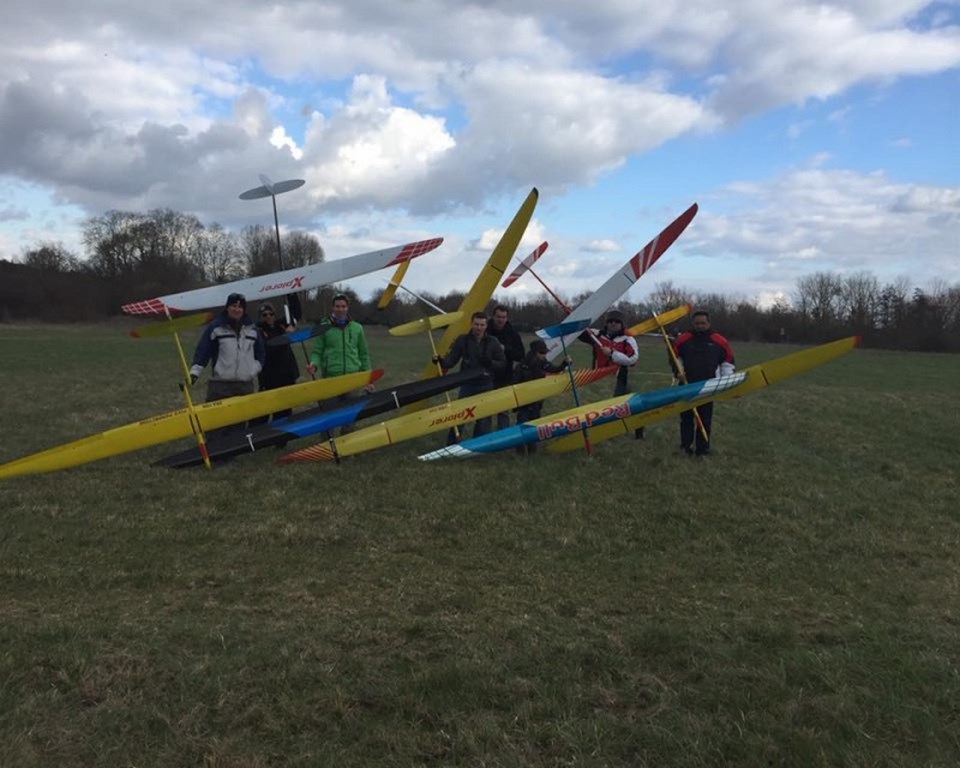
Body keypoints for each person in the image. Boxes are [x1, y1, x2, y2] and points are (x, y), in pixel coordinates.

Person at [305, 293, 374, 433]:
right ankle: (328, 447)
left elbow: (363, 354)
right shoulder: (324, 328)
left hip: (352, 379)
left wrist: (369, 378)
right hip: (331, 379)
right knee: (328, 417)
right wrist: (314, 364)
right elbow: (317, 351)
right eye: (337, 306)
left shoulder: (357, 328)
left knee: (350, 417)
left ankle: (347, 447)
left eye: (343, 306)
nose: (340, 309)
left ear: (347, 308)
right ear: (333, 307)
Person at [434, 311, 506, 443]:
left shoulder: (493, 342)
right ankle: (452, 443)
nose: (479, 328)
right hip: (467, 384)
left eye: (482, 325)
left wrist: (490, 363)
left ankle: (479, 444)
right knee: (460, 415)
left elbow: (502, 363)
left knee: (484, 417)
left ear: (486, 326)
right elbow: (452, 360)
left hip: (486, 384)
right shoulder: (462, 340)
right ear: (471, 324)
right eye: (476, 324)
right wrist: (441, 361)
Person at [671, 310, 736, 457]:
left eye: (703, 323)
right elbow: (674, 358)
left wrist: (726, 382)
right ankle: (685, 446)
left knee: (705, 418)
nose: (700, 326)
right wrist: (678, 372)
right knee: (686, 418)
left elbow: (727, 361)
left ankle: (702, 449)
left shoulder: (719, 341)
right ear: (692, 324)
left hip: (708, 386)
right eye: (697, 323)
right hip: (687, 386)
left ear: (708, 323)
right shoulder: (683, 340)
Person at [190, 292, 265, 403]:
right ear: (227, 308)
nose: (236, 309)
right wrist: (194, 373)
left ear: (244, 310)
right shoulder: (216, 327)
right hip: (220, 385)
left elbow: (260, 353)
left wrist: (253, 370)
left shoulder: (252, 329)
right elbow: (203, 351)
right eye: (233, 306)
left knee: (242, 419)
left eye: (240, 307)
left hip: (244, 385)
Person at [582, 309, 643, 438]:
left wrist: (612, 354)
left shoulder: (628, 338)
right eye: (610, 321)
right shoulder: (597, 335)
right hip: (599, 377)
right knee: (601, 407)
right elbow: (580, 334)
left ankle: (639, 431)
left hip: (620, 378)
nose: (613, 324)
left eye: (616, 322)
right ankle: (604, 431)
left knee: (628, 406)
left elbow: (632, 358)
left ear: (622, 324)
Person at [513, 339, 570, 453]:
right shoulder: (521, 366)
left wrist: (564, 363)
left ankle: (532, 450)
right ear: (534, 352)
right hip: (524, 402)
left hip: (537, 402)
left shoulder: (543, 363)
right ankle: (520, 450)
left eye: (545, 353)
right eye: (542, 353)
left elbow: (555, 369)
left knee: (534, 425)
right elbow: (515, 383)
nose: (544, 355)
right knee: (522, 425)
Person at [250, 301, 300, 424]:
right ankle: (258, 437)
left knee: (284, 410)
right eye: (264, 315)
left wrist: (292, 294)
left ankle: (281, 441)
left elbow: (296, 314)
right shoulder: (256, 330)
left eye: (271, 314)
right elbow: (267, 348)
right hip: (269, 378)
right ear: (260, 317)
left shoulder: (281, 325)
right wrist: (285, 338)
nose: (268, 317)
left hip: (287, 375)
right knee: (263, 412)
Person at [487, 305, 525, 430]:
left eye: (503, 317)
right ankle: (482, 436)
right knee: (485, 409)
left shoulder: (512, 333)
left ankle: (502, 435)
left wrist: (505, 349)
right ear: (493, 316)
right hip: (486, 376)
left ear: (507, 318)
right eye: (498, 317)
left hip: (504, 376)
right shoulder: (485, 329)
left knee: (503, 410)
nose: (500, 320)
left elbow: (520, 355)